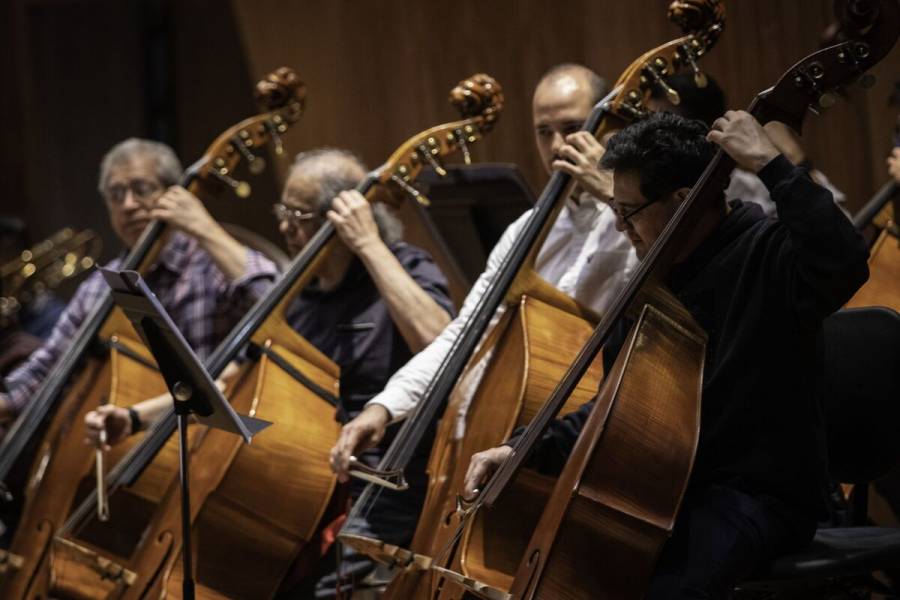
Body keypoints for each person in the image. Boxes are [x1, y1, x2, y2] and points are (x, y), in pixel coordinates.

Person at [463, 111, 869, 598]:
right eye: (614, 208)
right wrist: (521, 447)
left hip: (757, 497)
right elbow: (617, 412)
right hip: (665, 496)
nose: (620, 226)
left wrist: (769, 163)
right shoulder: (651, 282)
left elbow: (844, 259)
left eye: (629, 211)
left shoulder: (768, 257)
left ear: (683, 201)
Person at [86, 147, 455, 598]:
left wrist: (369, 243)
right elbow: (234, 380)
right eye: (283, 211)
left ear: (341, 219)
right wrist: (135, 417)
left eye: (298, 215)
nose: (284, 228)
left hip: (383, 485)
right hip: (302, 484)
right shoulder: (301, 298)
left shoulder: (405, 267)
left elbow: (442, 345)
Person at [330, 62, 639, 480]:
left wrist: (612, 191)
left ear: (612, 124)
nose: (557, 145)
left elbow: (676, 277)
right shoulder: (525, 230)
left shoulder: (643, 218)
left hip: (595, 439)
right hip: (512, 441)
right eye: (543, 132)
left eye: (572, 126)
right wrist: (385, 407)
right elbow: (467, 334)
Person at [0, 138, 277, 424]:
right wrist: (6, 403)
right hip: (132, 448)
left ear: (173, 193)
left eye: (141, 189)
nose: (128, 204)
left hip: (215, 441)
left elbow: (277, 309)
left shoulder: (214, 262)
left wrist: (205, 228)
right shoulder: (100, 287)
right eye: (116, 194)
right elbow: (49, 367)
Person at [646, 72, 849, 217]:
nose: (649, 139)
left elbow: (840, 231)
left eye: (663, 128)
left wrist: (794, 158)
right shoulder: (641, 197)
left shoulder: (755, 191)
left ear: (703, 130)